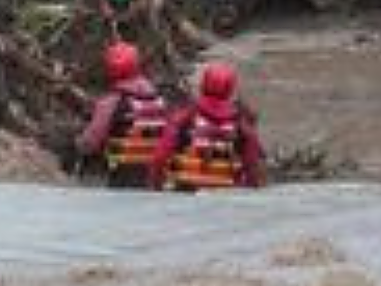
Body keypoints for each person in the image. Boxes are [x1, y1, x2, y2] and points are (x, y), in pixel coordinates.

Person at [150, 62, 266, 191]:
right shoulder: (239, 120)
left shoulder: (187, 114)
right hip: (226, 185)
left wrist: (156, 185)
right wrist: (252, 186)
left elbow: (161, 155)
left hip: (187, 183)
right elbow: (252, 161)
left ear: (204, 84)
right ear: (230, 88)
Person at [75, 41, 169, 189]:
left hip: (122, 172)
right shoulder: (160, 100)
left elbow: (90, 142)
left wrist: (78, 144)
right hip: (152, 172)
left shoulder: (110, 102)